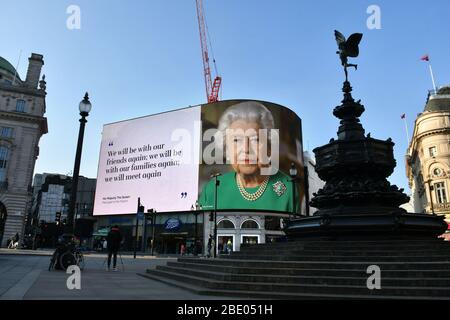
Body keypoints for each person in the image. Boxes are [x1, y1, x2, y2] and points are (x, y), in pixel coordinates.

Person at [198, 101, 300, 212]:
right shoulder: (213, 188)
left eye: (255, 139)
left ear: (269, 147)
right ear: (226, 149)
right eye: (237, 140)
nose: (246, 149)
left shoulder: (288, 188)